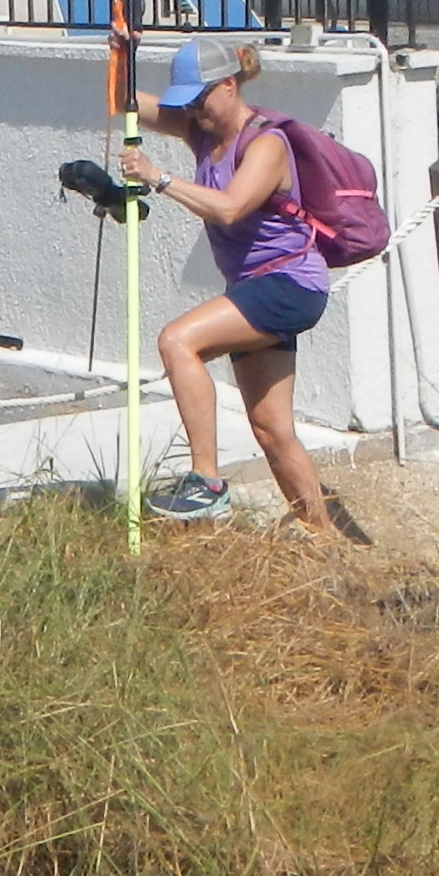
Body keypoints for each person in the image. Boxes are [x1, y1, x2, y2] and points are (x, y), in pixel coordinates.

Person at [123, 36, 341, 532]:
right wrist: (121, 55)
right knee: (272, 430)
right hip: (256, 288)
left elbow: (230, 208)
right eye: (187, 103)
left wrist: (157, 178)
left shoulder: (266, 142)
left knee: (178, 341)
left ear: (228, 85)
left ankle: (207, 483)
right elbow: (124, 101)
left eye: (199, 99)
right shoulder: (202, 131)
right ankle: (326, 544)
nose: (193, 112)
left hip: (289, 284)